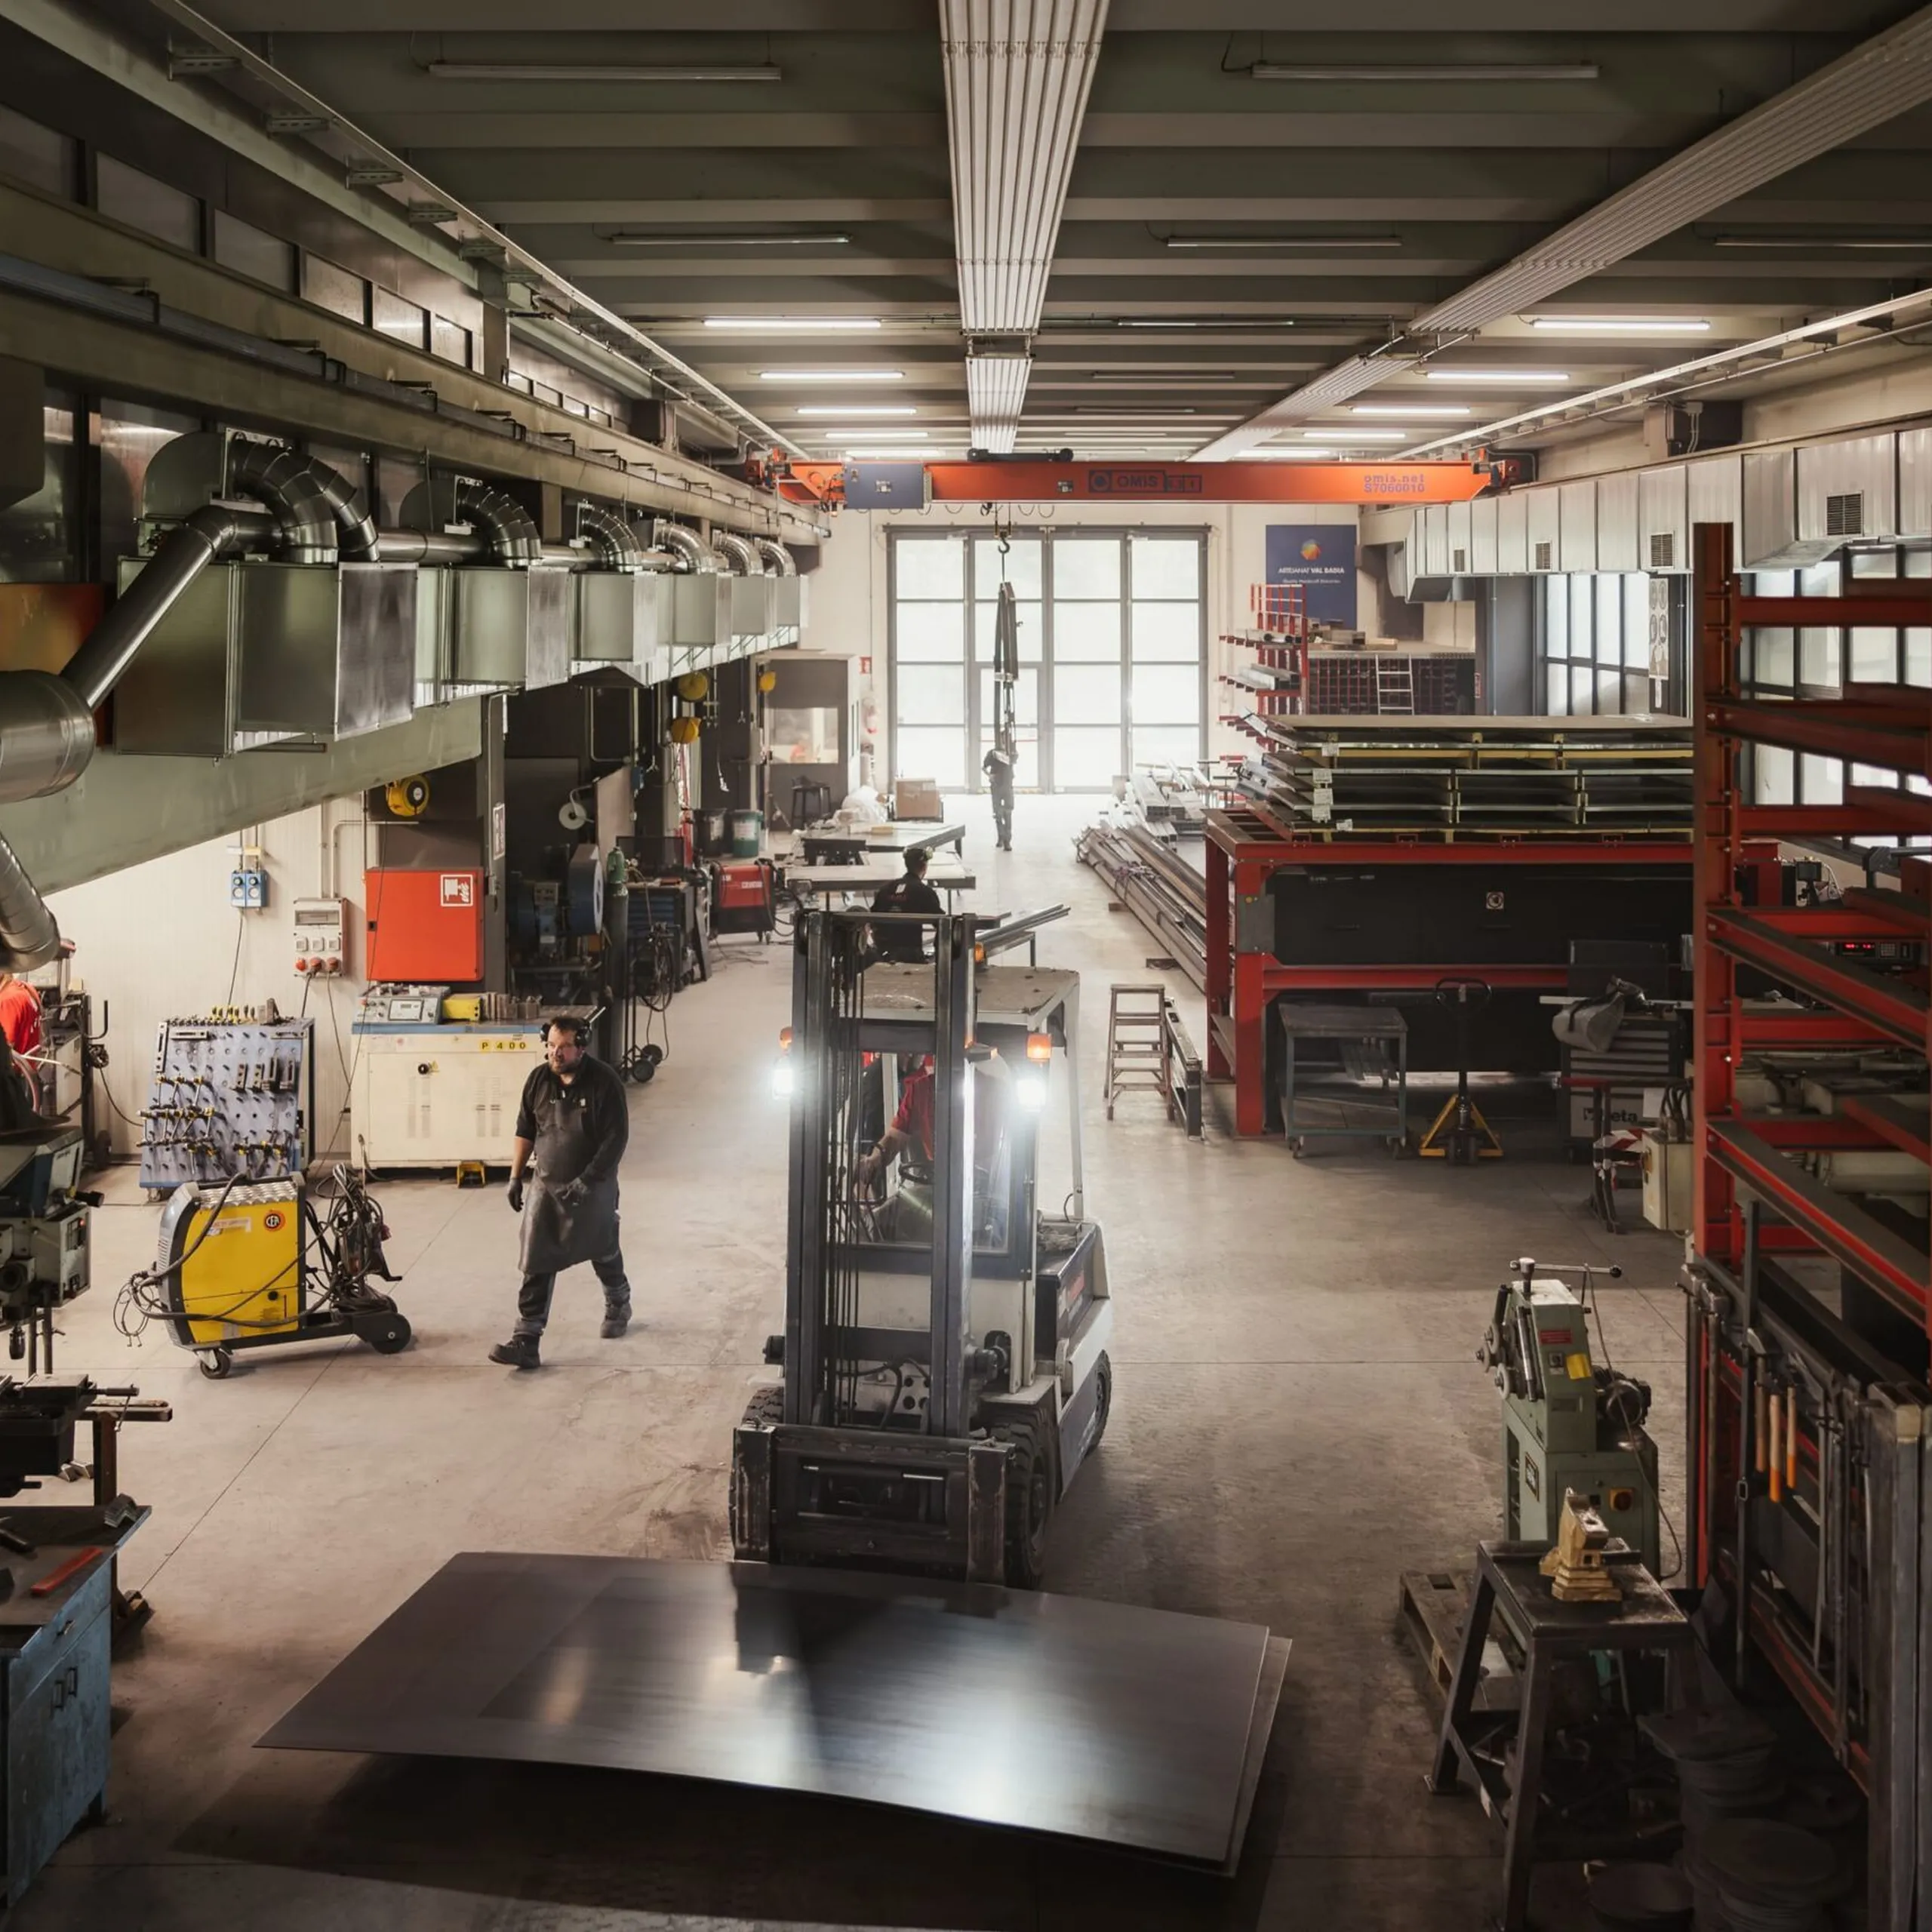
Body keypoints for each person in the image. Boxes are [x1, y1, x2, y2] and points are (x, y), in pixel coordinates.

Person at [489, 1016, 632, 1371]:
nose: (555, 1053)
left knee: (602, 1246)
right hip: (547, 1184)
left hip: (593, 1184)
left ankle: (618, 1300)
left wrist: (588, 1181)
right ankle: (527, 1339)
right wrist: (515, 1176)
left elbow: (616, 1140)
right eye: (551, 1046)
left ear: (581, 1046)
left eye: (564, 1046)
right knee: (536, 1257)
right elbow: (525, 1129)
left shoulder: (604, 1083)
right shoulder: (538, 1080)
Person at [869, 845, 943, 964]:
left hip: (883, 955)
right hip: (911, 955)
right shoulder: (924, 892)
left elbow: (872, 920)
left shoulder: (885, 889)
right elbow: (942, 923)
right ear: (924, 867)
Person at [982, 732, 1017, 851]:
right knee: (998, 814)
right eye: (1003, 738)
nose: (1004, 741)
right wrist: (990, 775)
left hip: (1008, 787)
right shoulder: (992, 754)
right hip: (996, 786)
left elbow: (1013, 760)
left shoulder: (1011, 753)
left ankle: (1007, 840)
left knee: (1008, 813)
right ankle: (1000, 837)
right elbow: (984, 767)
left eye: (1006, 739)